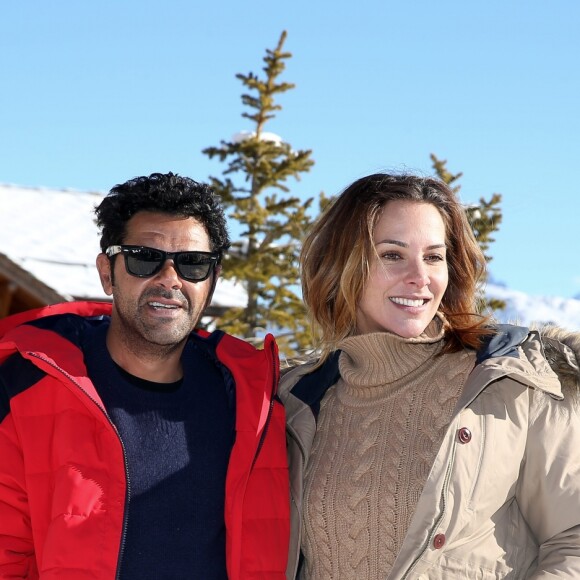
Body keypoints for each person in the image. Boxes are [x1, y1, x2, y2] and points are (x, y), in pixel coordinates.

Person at [279, 172, 580, 579]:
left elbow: (572, 540)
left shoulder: (512, 379)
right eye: (392, 254)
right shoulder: (296, 402)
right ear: (341, 264)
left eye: (434, 257)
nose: (420, 276)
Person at [0, 172, 289, 579]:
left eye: (192, 264)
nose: (169, 278)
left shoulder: (253, 399)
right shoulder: (26, 383)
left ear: (212, 280)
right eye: (144, 258)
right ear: (107, 271)